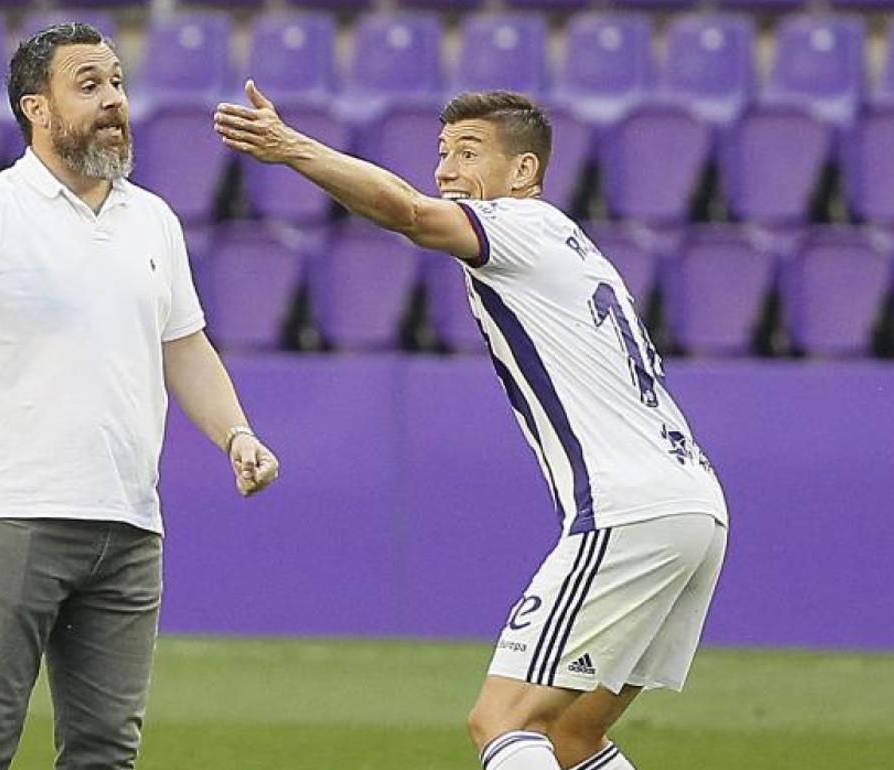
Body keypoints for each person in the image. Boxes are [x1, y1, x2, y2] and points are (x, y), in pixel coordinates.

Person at [215, 84, 727, 770]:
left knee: (501, 721)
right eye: (442, 152)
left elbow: (406, 212)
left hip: (629, 510)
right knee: (571, 737)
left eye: (469, 152)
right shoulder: (572, 244)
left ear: (525, 173)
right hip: (693, 507)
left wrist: (292, 148)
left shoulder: (519, 226)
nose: (447, 169)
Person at [0, 24, 279, 770]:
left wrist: (236, 434)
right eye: (88, 85)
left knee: (105, 752)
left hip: (129, 525)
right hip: (12, 516)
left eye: (117, 83)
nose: (114, 101)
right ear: (38, 108)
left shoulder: (152, 218)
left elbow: (183, 345)